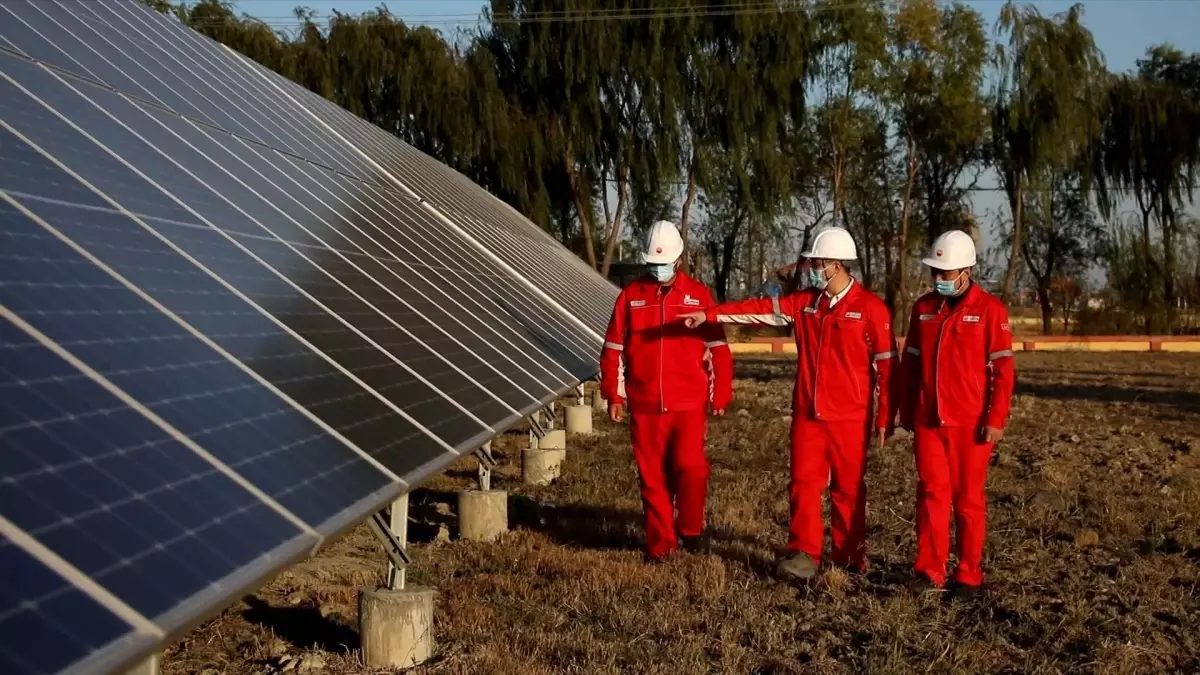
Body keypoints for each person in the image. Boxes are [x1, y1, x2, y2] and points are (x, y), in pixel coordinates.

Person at [681, 226, 897, 581]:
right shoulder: (805, 304)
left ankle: (849, 557)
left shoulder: (871, 310)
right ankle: (803, 553)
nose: (812, 268)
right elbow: (759, 310)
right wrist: (711, 315)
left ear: (837, 264)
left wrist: (885, 416)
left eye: (817, 263)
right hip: (807, 414)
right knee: (802, 484)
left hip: (851, 418)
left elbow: (888, 368)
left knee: (849, 489)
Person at [599, 220, 734, 562]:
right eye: (652, 263)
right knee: (653, 477)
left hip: (688, 402)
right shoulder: (630, 297)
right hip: (644, 404)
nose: (658, 269)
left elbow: (718, 346)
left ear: (678, 260)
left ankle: (690, 529)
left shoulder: (699, 295)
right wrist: (614, 394)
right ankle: (661, 544)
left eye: (664, 263)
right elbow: (613, 347)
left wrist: (721, 393)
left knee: (692, 467)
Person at [898, 230, 1016, 597]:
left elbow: (1003, 372)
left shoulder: (990, 311)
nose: (938, 279)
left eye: (945, 273)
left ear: (966, 270)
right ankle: (928, 569)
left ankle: (968, 574)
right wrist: (906, 411)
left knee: (968, 500)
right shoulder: (922, 309)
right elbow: (910, 364)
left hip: (972, 425)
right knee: (931, 494)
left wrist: (995, 419)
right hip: (929, 421)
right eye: (935, 272)